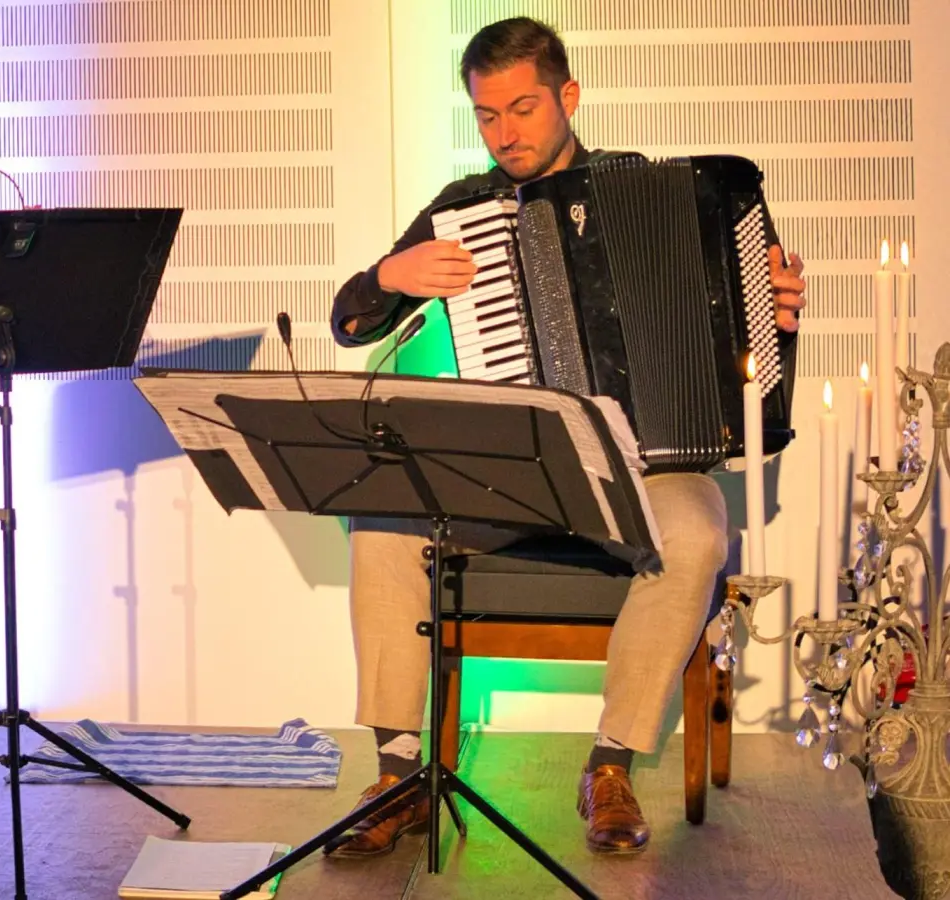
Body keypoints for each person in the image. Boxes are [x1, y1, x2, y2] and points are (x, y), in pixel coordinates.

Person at [326, 18, 807, 857]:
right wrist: (390, 276)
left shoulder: (649, 189)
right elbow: (350, 321)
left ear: (568, 96)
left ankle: (609, 768)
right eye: (487, 115)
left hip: (642, 469)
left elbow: (743, 325)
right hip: (516, 471)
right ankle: (399, 775)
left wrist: (769, 303)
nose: (504, 134)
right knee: (385, 519)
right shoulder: (460, 210)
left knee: (698, 532)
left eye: (522, 109)